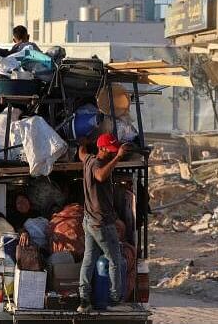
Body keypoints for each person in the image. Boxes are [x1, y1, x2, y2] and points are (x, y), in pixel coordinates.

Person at [77, 133, 131, 313]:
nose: (113, 153)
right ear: (103, 149)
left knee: (89, 260)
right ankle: (115, 301)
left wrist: (84, 143)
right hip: (101, 223)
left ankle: (84, 301)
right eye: (111, 150)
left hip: (89, 221)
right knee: (115, 260)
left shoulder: (88, 159)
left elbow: (81, 152)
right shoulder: (99, 165)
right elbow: (100, 176)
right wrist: (118, 157)